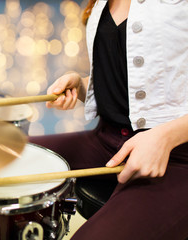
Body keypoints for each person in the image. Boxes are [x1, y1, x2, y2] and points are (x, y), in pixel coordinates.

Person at [29, 0, 188, 239]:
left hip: (178, 158)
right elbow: (137, 79)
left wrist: (165, 137)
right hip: (106, 140)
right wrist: (84, 85)